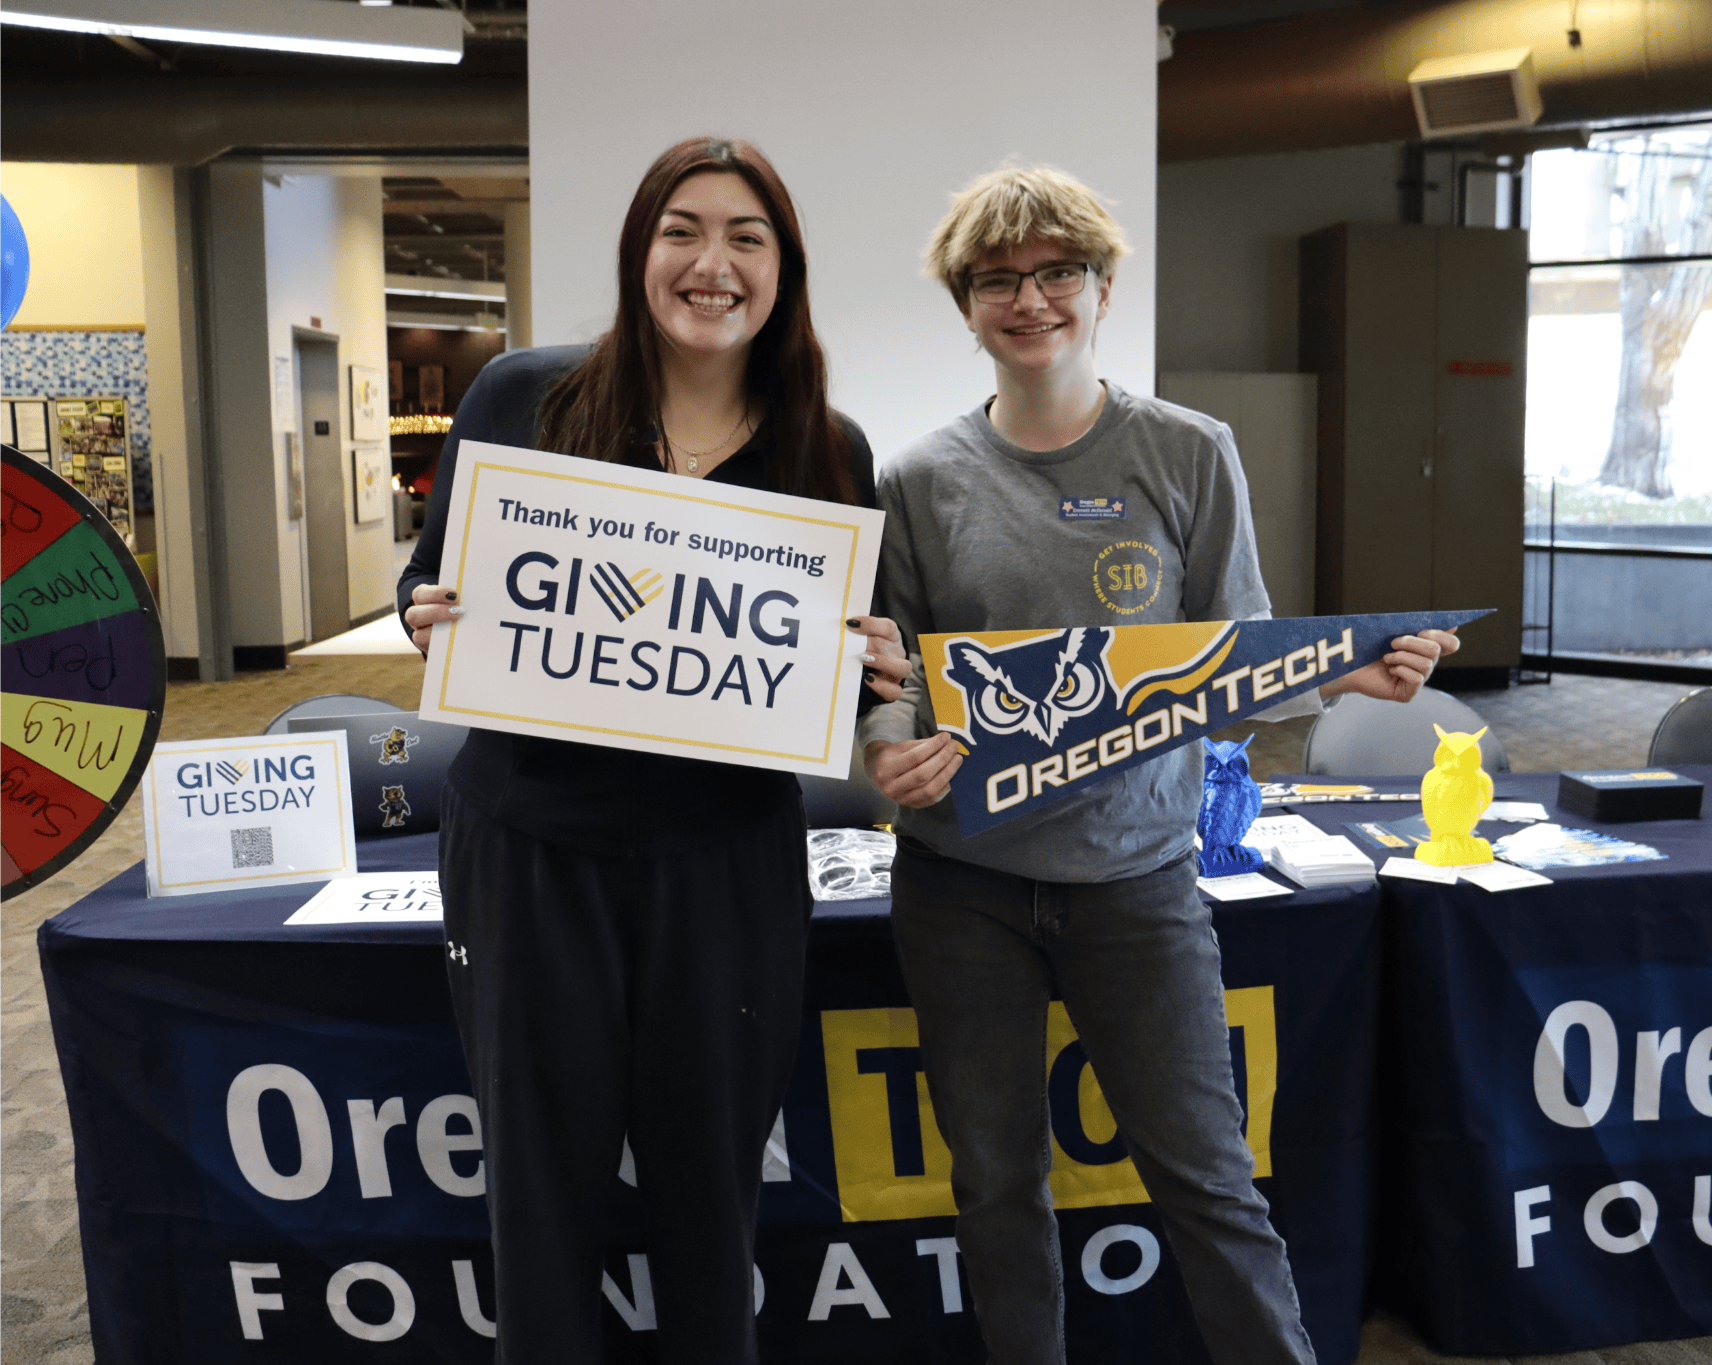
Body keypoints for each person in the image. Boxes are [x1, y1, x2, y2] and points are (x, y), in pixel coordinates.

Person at [858, 165, 1457, 1365]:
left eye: (1056, 272)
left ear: (1102, 286)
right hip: (958, 885)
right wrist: (888, 756)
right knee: (993, 1187)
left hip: (1134, 880)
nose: (1030, 300)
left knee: (1208, 1182)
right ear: (964, 306)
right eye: (997, 280)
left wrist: (1342, 672)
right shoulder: (914, 481)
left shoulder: (1188, 454)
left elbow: (1231, 653)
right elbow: (893, 681)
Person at [396, 136, 910, 1363]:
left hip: (720, 865)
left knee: (710, 1190)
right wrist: (432, 616)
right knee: (539, 1189)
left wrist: (870, 669)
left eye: (746, 237)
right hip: (530, 849)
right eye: (681, 230)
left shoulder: (826, 450)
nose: (710, 263)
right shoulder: (522, 397)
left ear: (782, 270)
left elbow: (826, 693)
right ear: (640, 254)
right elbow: (432, 592)